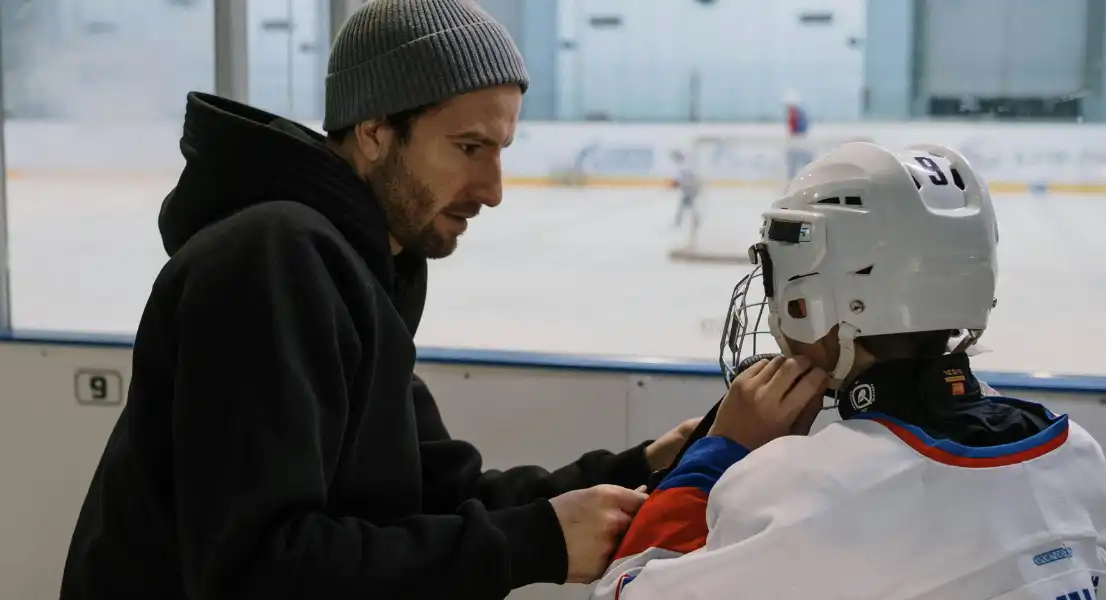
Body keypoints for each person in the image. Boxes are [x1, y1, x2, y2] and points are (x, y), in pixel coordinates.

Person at [59, 1, 699, 598]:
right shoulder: (272, 259)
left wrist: (643, 465)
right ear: (374, 131)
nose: (494, 189)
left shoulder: (359, 269)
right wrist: (533, 543)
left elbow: (437, 497)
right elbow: (255, 570)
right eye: (469, 147)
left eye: (500, 152)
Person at [591, 142, 1106, 600]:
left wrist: (717, 455)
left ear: (816, 300)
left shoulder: (799, 486)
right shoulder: (1077, 457)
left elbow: (621, 593)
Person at [669, 149, 700, 232]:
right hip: (692, 189)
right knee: (689, 206)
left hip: (689, 189)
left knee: (684, 206)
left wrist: (672, 185)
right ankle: (695, 221)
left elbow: (678, 181)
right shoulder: (688, 164)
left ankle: (679, 223)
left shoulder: (681, 167)